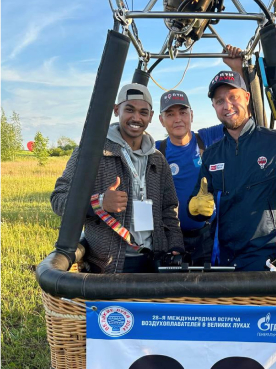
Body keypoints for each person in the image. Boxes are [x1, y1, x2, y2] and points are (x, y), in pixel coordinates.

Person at [187, 49, 276, 271]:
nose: (227, 106)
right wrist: (196, 208)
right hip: (224, 261)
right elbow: (199, 202)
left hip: (267, 260)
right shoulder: (212, 154)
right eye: (220, 101)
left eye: (233, 97)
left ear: (247, 98)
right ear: (214, 107)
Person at [51, 83, 184, 273]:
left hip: (153, 261)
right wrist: (99, 203)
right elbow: (58, 199)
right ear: (116, 110)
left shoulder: (157, 159)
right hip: (108, 265)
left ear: (151, 116)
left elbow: (169, 209)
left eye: (143, 112)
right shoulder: (91, 151)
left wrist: (175, 246)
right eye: (129, 110)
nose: (136, 118)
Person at [157, 89, 224, 264]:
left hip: (207, 235)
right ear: (161, 120)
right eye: (170, 114)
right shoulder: (156, 150)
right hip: (171, 238)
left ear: (191, 115)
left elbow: (242, 117)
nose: (178, 119)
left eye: (183, 112)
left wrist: (238, 70)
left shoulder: (207, 138)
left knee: (207, 286)